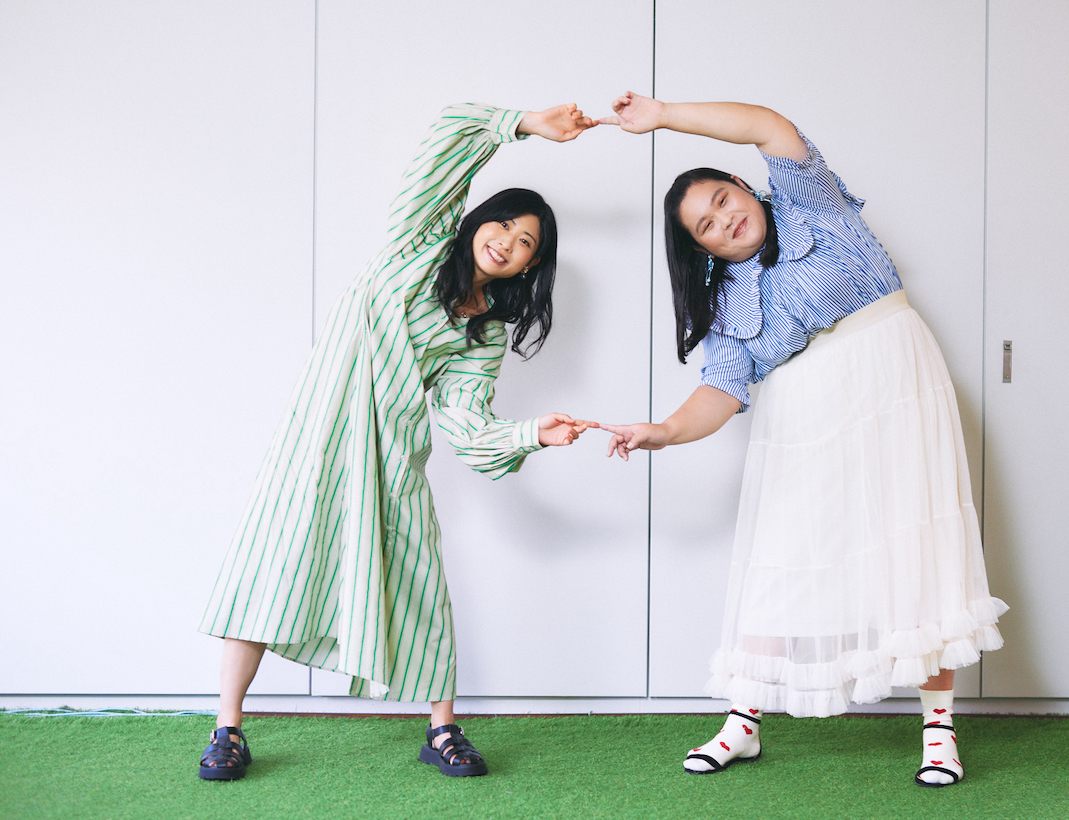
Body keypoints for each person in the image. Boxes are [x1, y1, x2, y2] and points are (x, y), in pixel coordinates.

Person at [598, 92, 1007, 787]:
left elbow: (766, 126)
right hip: (805, 420)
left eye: (723, 200)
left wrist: (663, 114)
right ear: (700, 249)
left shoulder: (810, 203)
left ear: (742, 185)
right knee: (783, 555)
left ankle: (939, 731)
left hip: (897, 387)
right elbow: (721, 390)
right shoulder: (726, 299)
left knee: (919, 545)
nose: (726, 220)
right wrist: (662, 431)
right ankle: (742, 723)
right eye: (706, 226)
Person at [197, 101, 599, 780]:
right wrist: (526, 124)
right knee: (271, 566)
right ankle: (227, 728)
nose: (508, 241)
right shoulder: (419, 242)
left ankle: (442, 730)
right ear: (478, 221)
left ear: (530, 267)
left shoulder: (484, 333)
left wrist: (533, 432)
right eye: (504, 222)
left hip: (391, 459)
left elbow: (466, 422)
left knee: (420, 581)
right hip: (316, 442)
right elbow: (445, 142)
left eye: (527, 242)